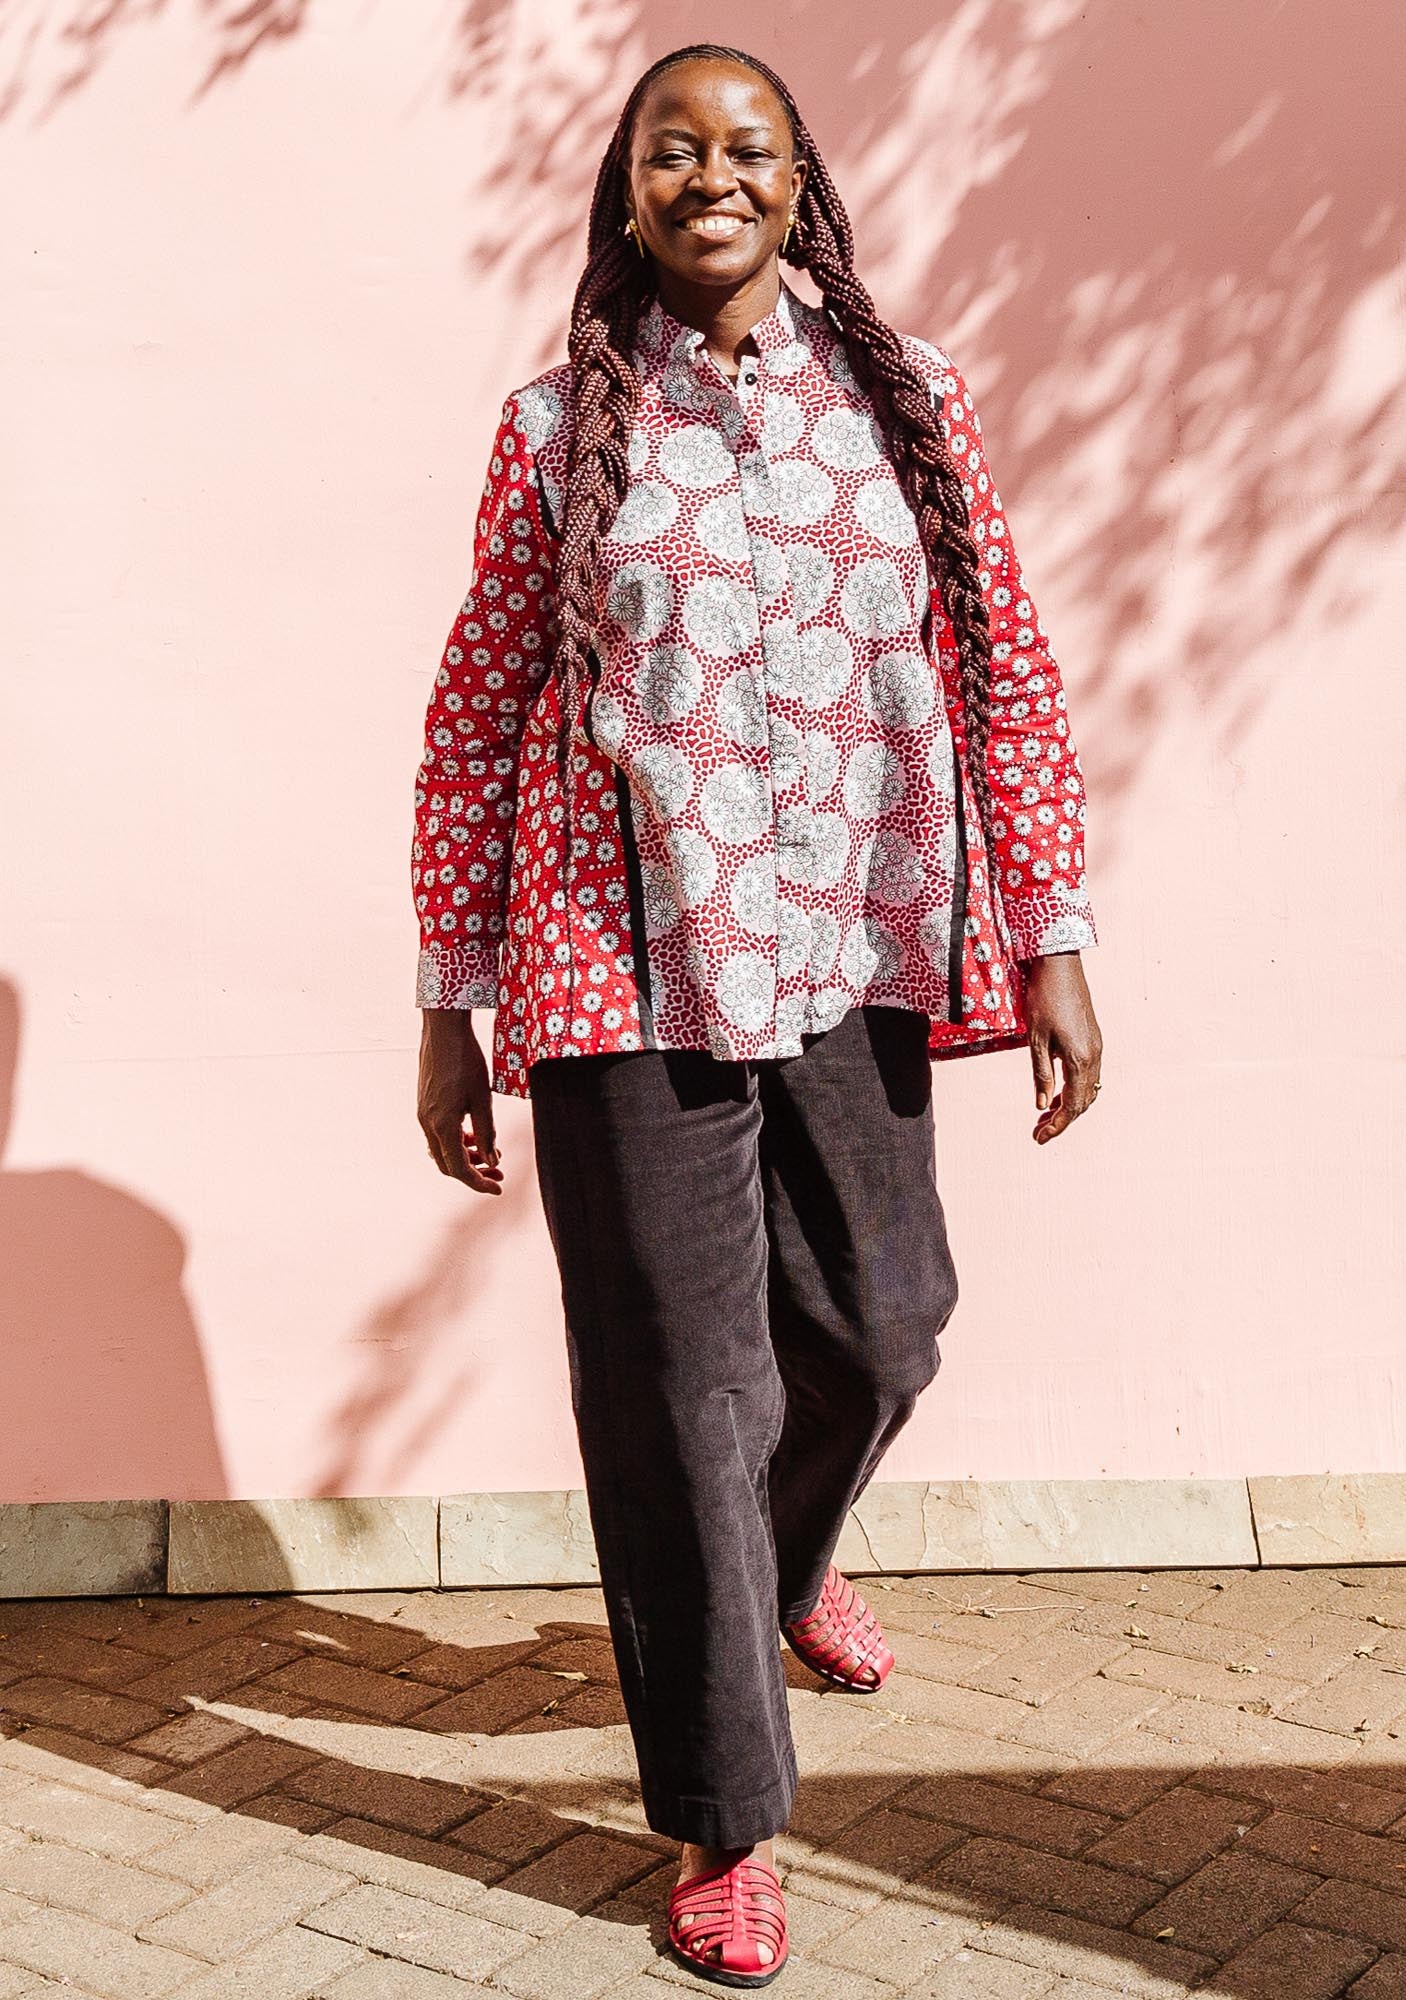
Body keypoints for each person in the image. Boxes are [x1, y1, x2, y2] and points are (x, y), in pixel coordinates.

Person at [413, 41, 1103, 1988]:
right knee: (680, 1399)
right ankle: (729, 1814)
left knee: (886, 1326)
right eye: (673, 150)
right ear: (629, 194)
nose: (712, 173)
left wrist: (1050, 931)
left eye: (749, 145)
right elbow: (477, 718)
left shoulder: (909, 405)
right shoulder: (557, 429)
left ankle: (787, 1564)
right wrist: (452, 999)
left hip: (853, 946)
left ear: (800, 185)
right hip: (622, 961)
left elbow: (1006, 664)